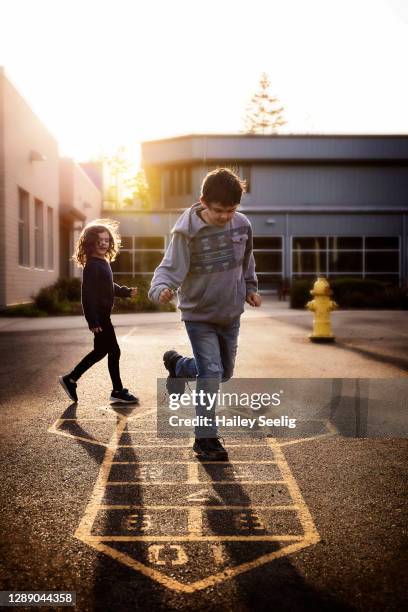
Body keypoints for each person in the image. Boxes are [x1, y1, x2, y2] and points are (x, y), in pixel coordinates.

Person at [149, 168, 261, 460]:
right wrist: (162, 288)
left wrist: (250, 287)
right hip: (198, 315)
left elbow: (247, 261)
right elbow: (170, 267)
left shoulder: (242, 225)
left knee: (224, 373)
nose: (226, 216)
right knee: (211, 373)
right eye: (219, 210)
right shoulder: (187, 232)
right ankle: (205, 438)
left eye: (232, 210)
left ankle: (178, 366)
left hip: (230, 313)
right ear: (203, 201)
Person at [59, 219, 139, 404]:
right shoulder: (93, 265)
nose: (104, 243)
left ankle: (70, 379)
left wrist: (125, 291)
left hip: (103, 316)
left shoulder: (101, 262)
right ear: (90, 243)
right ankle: (117, 391)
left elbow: (107, 286)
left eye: (106, 240)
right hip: (100, 318)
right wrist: (93, 321)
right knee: (114, 351)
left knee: (101, 351)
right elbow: (87, 295)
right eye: (99, 240)